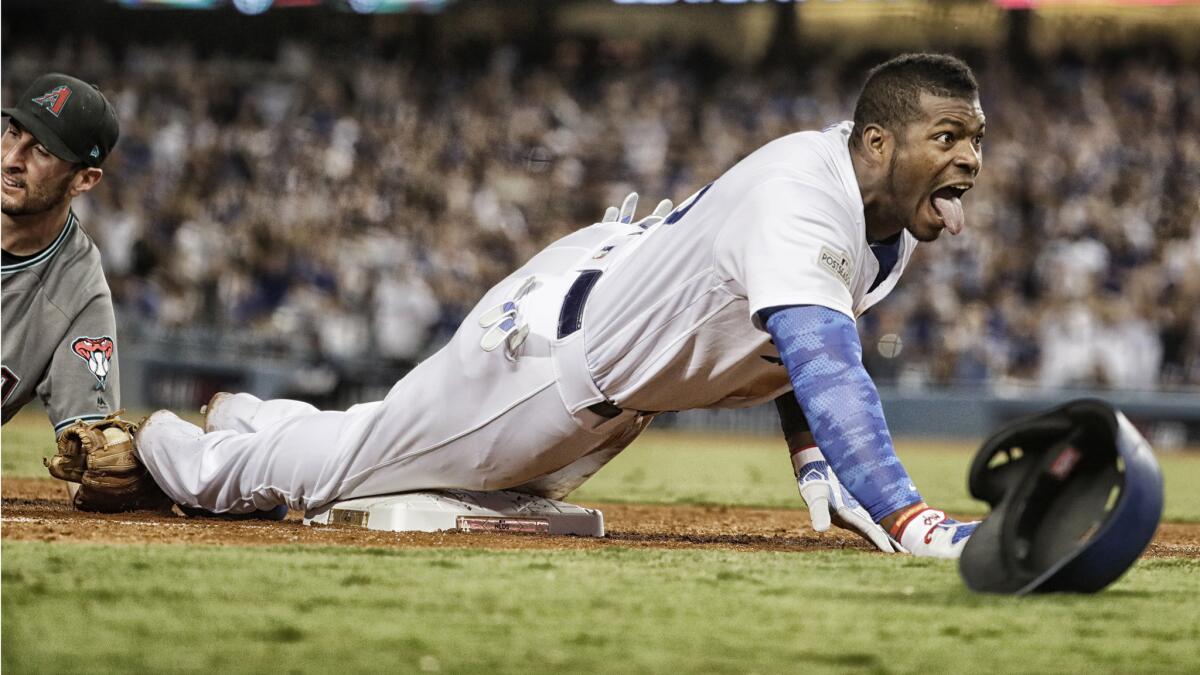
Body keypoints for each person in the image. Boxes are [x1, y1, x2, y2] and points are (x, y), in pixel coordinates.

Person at [132, 53, 985, 558]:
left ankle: (252, 413)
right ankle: (166, 448)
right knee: (345, 471)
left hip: (600, 338)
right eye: (947, 135)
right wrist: (907, 516)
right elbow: (824, 361)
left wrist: (813, 463)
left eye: (976, 137)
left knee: (399, 445)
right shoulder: (806, 194)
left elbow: (795, 342)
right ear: (878, 142)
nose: (971, 158)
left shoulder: (881, 215)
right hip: (541, 367)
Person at [2, 73, 122, 436]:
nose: (11, 159)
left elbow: (90, 449)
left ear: (83, 180)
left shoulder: (78, 289)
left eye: (41, 150)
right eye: (12, 132)